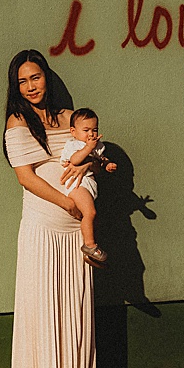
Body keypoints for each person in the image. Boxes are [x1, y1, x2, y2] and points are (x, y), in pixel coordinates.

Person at [0, 49, 96, 368]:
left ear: (46, 77)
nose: (30, 86)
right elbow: (26, 177)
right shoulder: (17, 121)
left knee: (74, 304)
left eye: (35, 77)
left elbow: (89, 154)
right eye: (22, 81)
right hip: (44, 224)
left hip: (75, 234)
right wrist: (68, 203)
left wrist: (86, 171)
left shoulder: (71, 119)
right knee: (43, 303)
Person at [57, 106, 117, 265]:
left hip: (89, 184)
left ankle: (90, 250)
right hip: (77, 185)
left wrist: (107, 164)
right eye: (86, 130)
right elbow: (75, 160)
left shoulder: (97, 145)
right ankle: (90, 245)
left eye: (94, 129)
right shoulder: (74, 144)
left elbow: (100, 159)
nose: (91, 134)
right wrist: (88, 148)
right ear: (73, 131)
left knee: (93, 217)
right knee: (90, 212)